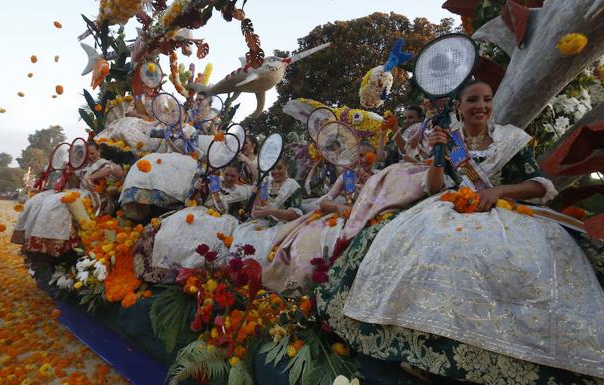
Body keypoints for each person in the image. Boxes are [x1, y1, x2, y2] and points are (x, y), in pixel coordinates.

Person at [316, 80, 604, 384]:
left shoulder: (511, 139)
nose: (481, 106)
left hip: (505, 214)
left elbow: (539, 185)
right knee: (421, 246)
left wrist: (501, 191)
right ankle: (420, 345)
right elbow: (436, 186)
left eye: (487, 99)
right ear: (459, 106)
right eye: (472, 100)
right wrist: (439, 153)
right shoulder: (450, 141)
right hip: (448, 207)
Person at [262, 142, 376, 292]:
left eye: (368, 155)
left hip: (368, 219)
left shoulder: (379, 177)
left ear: (374, 157)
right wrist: (337, 207)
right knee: (310, 237)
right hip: (341, 218)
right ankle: (301, 283)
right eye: (360, 155)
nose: (363, 160)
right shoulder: (347, 176)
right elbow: (323, 200)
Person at [138, 161, 252, 276]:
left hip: (222, 220)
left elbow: (244, 211)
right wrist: (197, 190)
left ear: (239, 176)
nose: (228, 178)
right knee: (174, 231)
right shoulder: (212, 181)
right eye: (226, 174)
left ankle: (193, 270)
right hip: (201, 212)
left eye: (233, 176)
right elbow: (192, 201)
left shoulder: (242, 192)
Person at [25, 141, 124, 256]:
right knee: (43, 200)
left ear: (99, 151)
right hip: (79, 193)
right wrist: (68, 173)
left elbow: (113, 169)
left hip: (97, 197)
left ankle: (61, 244)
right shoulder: (83, 166)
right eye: (88, 155)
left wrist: (91, 177)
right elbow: (75, 184)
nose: (91, 157)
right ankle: (41, 240)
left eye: (93, 153)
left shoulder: (104, 162)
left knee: (60, 202)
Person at [230, 156, 302, 266]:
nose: (275, 172)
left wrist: (270, 211)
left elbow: (295, 215)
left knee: (265, 244)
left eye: (279, 168)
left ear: (286, 167)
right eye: (272, 168)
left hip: (282, 225)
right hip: (263, 223)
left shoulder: (293, 186)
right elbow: (257, 211)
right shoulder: (266, 183)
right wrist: (257, 195)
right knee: (242, 233)